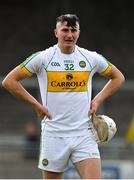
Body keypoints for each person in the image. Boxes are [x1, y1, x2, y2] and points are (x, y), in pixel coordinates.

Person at [2, 14, 125, 179]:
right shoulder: (43, 58)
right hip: (54, 134)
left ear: (79, 33)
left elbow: (118, 77)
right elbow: (9, 81)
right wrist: (36, 105)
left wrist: (97, 100)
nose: (69, 34)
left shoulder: (91, 58)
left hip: (84, 133)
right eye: (65, 29)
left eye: (74, 30)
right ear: (56, 32)